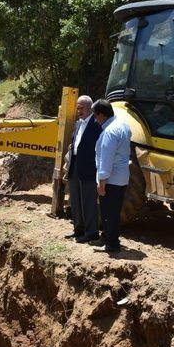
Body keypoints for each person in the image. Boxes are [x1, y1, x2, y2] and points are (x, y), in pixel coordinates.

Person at [92, 99, 132, 253]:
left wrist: (102, 181)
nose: (95, 120)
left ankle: (112, 244)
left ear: (102, 115)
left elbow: (106, 159)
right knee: (114, 211)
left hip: (111, 178)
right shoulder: (123, 125)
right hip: (122, 177)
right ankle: (108, 237)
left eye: (95, 116)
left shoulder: (109, 132)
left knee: (108, 212)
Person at [65, 95, 102, 243]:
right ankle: (78, 229)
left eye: (80, 108)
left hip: (89, 168)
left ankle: (91, 233)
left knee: (88, 202)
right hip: (75, 167)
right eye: (77, 107)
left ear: (89, 108)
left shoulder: (96, 125)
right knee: (75, 200)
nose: (78, 110)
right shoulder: (78, 124)